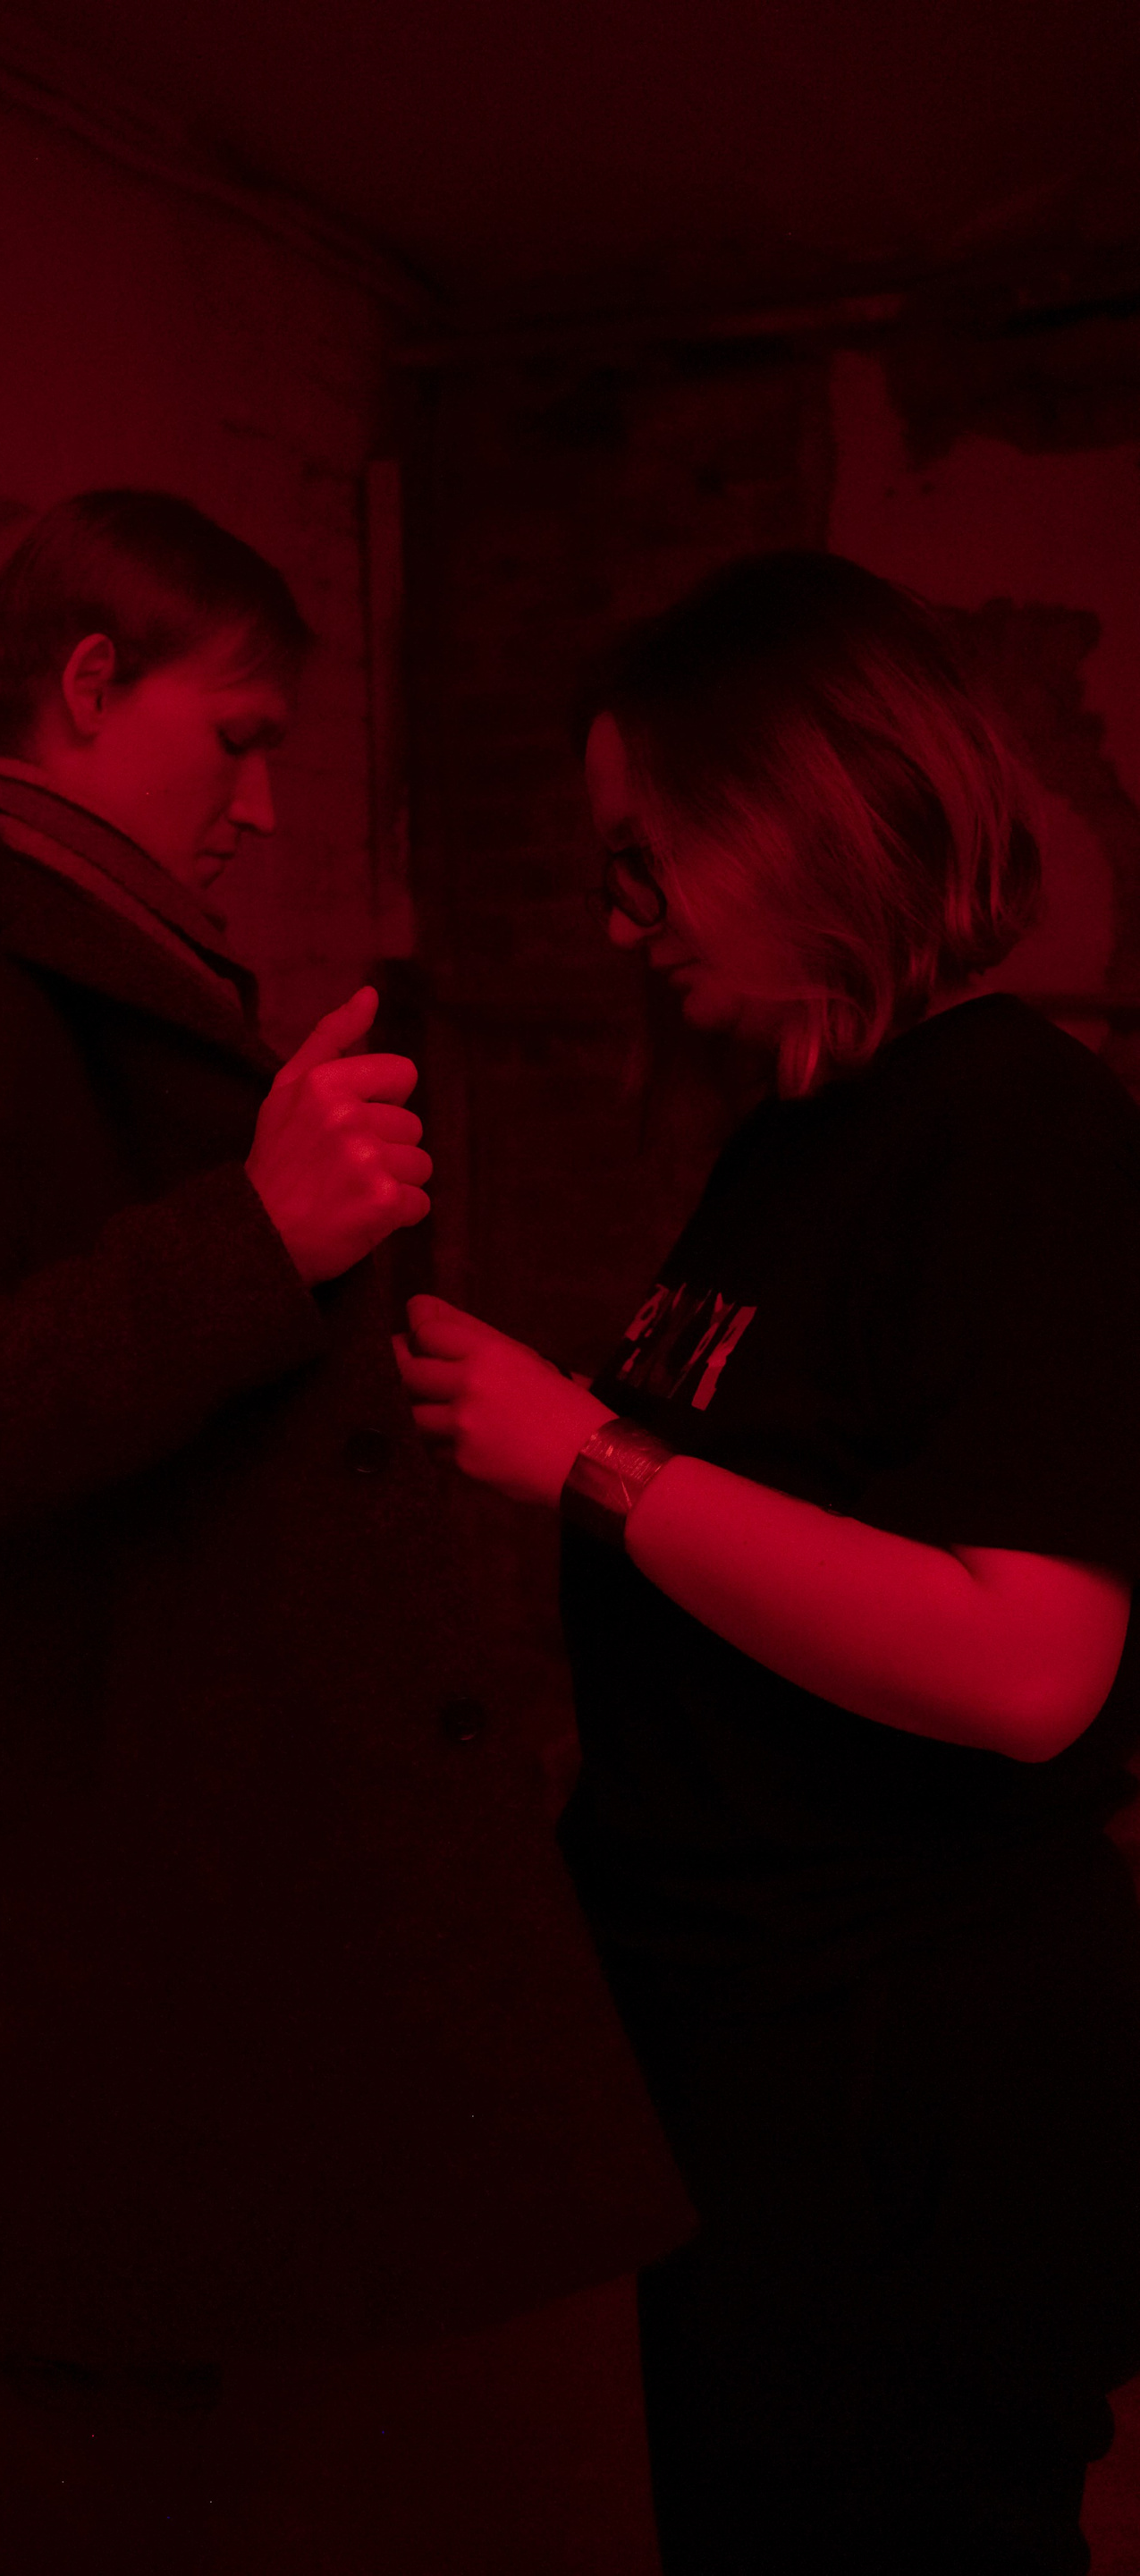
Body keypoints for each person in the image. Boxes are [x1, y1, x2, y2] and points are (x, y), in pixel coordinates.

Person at [0, 489, 689, 2573]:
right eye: (240, 738)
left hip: (206, 1948)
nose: (261, 809)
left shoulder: (91, 968)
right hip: (113, 1993)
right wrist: (254, 1239)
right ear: (91, 686)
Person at [396, 549, 1140, 2576]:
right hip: (760, 2062)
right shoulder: (795, 1133)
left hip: (909, 2088)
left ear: (796, 824)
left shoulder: (1014, 1136)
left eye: (646, 858)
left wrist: (589, 1458)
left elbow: (1028, 1667)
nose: (616, 914)